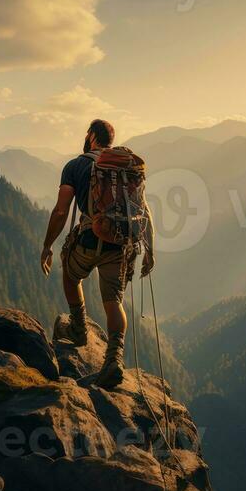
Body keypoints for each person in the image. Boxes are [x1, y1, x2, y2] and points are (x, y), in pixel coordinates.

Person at [41, 119, 155, 388]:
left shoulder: (75, 165)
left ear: (92, 136)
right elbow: (144, 210)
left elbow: (61, 211)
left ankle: (78, 329)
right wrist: (149, 250)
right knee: (113, 300)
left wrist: (47, 245)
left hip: (90, 238)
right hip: (119, 244)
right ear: (111, 140)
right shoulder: (126, 169)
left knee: (70, 275)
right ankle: (113, 359)